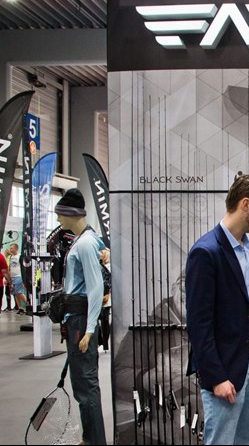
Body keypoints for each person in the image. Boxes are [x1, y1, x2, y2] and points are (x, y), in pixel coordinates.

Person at [185, 174, 249, 445]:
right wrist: (217, 377)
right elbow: (198, 325)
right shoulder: (205, 252)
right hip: (226, 368)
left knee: (245, 440)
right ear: (245, 204)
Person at [54, 188, 107, 445]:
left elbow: (96, 287)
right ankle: (90, 438)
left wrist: (88, 329)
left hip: (79, 321)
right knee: (83, 384)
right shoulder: (88, 240)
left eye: (60, 214)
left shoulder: (85, 243)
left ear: (70, 214)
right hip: (76, 320)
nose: (58, 219)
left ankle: (94, 441)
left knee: (85, 386)